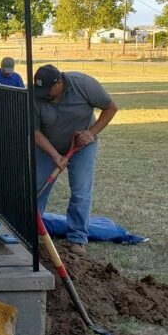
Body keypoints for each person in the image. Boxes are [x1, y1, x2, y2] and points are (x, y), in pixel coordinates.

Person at [32, 64, 117, 254]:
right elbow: (34, 132)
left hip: (82, 146)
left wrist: (91, 133)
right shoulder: (36, 95)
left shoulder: (83, 84)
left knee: (80, 190)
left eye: (48, 90)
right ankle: (30, 230)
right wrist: (55, 155)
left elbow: (111, 107)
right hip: (48, 146)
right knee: (37, 186)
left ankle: (77, 238)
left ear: (59, 82)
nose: (44, 95)